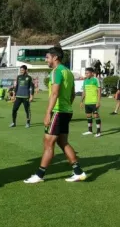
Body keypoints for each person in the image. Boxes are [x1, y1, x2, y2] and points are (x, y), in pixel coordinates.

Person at [24, 47, 87, 184]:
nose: (46, 60)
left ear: (55, 58)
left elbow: (54, 93)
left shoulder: (56, 72)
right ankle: (78, 172)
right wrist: (67, 106)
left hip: (58, 112)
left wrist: (48, 113)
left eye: (47, 57)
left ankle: (39, 175)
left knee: (48, 142)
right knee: (62, 142)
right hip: (66, 111)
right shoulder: (68, 72)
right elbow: (72, 93)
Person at [80, 68, 102, 137]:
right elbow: (84, 92)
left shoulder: (96, 80)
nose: (86, 75)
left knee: (95, 115)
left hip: (94, 102)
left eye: (87, 73)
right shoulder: (85, 81)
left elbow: (99, 91)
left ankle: (98, 132)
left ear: (92, 73)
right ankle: (90, 131)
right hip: (87, 102)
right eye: (85, 73)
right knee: (88, 116)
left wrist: (98, 101)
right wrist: (81, 101)